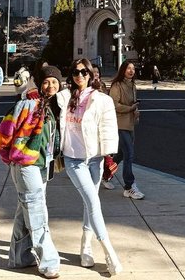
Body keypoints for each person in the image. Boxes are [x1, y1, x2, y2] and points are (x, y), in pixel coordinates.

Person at [57, 59, 122, 275]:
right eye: (75, 72)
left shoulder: (102, 99)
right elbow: (44, 90)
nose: (80, 76)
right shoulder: (64, 97)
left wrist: (108, 154)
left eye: (84, 72)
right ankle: (109, 252)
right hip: (73, 159)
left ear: (91, 74)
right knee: (93, 202)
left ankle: (85, 245)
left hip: (94, 158)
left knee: (90, 203)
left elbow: (108, 127)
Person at [0, 64, 63, 279]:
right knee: (37, 211)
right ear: (39, 83)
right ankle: (49, 262)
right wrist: (14, 157)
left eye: (54, 81)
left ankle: (19, 258)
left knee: (24, 210)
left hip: (41, 165)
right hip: (27, 165)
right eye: (46, 81)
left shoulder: (52, 104)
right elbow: (4, 132)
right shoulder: (28, 104)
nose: (51, 85)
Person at [109, 60, 145, 200]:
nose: (131, 71)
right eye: (128, 68)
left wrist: (135, 110)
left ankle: (106, 173)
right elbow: (114, 105)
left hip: (130, 124)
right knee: (129, 154)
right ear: (122, 70)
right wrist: (130, 108)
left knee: (120, 155)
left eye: (133, 69)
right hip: (120, 124)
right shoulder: (117, 85)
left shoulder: (132, 85)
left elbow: (133, 104)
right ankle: (129, 187)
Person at [92, 64, 117, 190]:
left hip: (103, 128)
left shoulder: (102, 87)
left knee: (105, 158)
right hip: (91, 131)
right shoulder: (85, 88)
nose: (95, 74)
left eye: (97, 72)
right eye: (93, 72)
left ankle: (105, 177)